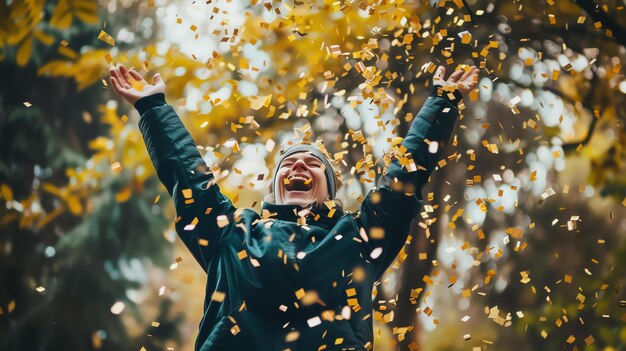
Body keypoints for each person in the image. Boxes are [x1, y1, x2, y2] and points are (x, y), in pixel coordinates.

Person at [109, 63, 479, 350]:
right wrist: (152, 107)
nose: (298, 165)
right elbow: (190, 180)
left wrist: (442, 104)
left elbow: (401, 182)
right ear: (273, 189)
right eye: (288, 163)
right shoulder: (231, 234)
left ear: (328, 189)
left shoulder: (358, 237)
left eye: (312, 163)